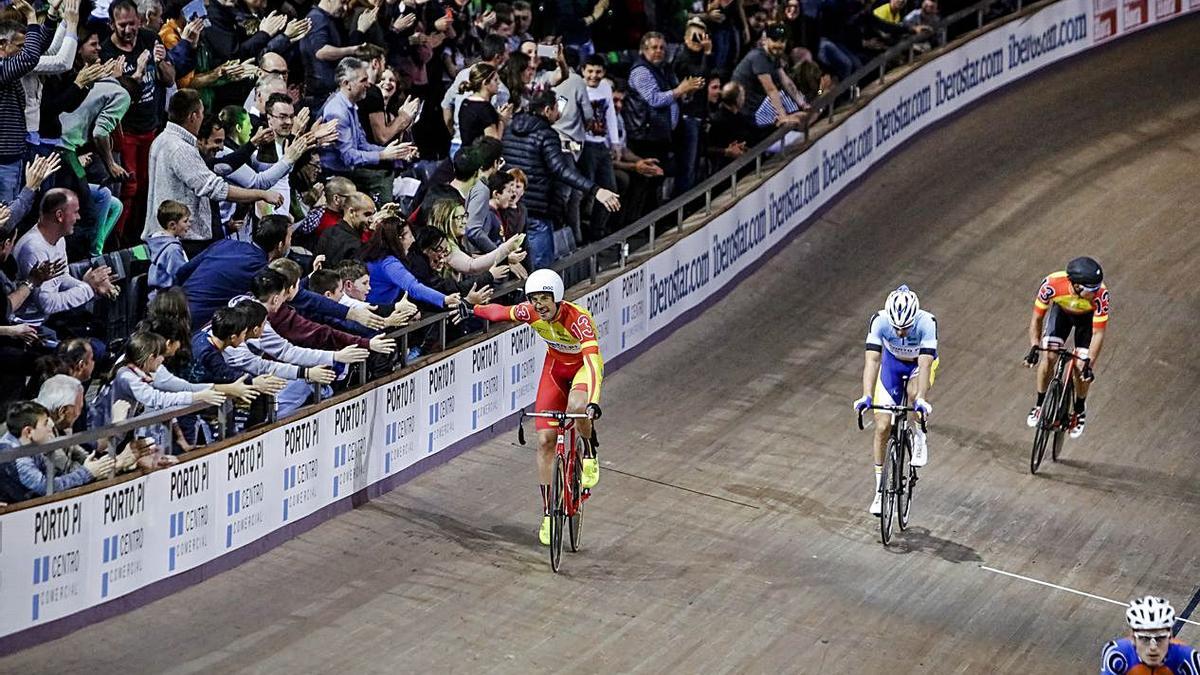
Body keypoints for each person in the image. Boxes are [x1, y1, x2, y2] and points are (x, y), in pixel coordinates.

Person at [462, 269, 603, 546]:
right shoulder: (531, 313)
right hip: (555, 370)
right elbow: (499, 313)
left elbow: (593, 363)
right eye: (534, 299)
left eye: (544, 299)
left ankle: (590, 450)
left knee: (577, 406)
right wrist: (473, 309)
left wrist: (593, 402)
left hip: (582, 371)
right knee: (544, 441)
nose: (539, 305)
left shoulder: (578, 320)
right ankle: (550, 512)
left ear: (557, 297)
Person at [852, 285, 936, 515]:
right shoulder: (878, 321)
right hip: (892, 366)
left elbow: (926, 364)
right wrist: (867, 395)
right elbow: (872, 361)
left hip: (918, 365)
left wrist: (920, 398)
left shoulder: (927, 322)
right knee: (882, 427)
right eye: (897, 327)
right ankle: (880, 491)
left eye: (906, 328)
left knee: (912, 393)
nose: (900, 333)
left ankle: (919, 435)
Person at [1022, 256, 1108, 438]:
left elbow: (1098, 334)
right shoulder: (1052, 284)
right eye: (1091, 289)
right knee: (1049, 357)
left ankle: (1078, 410)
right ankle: (1039, 405)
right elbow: (1037, 318)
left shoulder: (1101, 295)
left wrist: (1088, 364)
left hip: (1087, 320)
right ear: (1076, 286)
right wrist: (1034, 346)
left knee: (1080, 366)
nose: (1096, 291)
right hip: (1061, 314)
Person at [1101, 596, 1200, 674]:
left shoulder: (1188, 658)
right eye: (1145, 638)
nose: (1153, 647)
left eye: (1160, 638)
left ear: (1170, 636)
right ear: (1133, 637)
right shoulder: (1117, 654)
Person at [146, 200, 190, 299]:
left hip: (158, 298)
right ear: (172, 225)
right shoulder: (172, 249)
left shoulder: (158, 242)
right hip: (168, 301)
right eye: (185, 221)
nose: (189, 224)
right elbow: (182, 275)